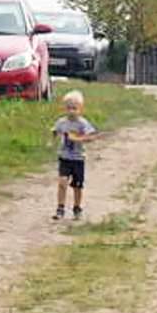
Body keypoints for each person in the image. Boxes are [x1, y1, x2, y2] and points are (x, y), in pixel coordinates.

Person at [52, 90, 99, 220]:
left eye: (74, 108)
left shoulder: (82, 123)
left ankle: (77, 207)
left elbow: (92, 136)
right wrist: (53, 138)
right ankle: (60, 207)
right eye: (68, 108)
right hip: (65, 157)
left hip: (78, 159)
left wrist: (79, 139)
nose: (71, 111)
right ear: (64, 108)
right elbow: (55, 131)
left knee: (77, 186)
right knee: (62, 182)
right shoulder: (62, 122)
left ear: (80, 109)